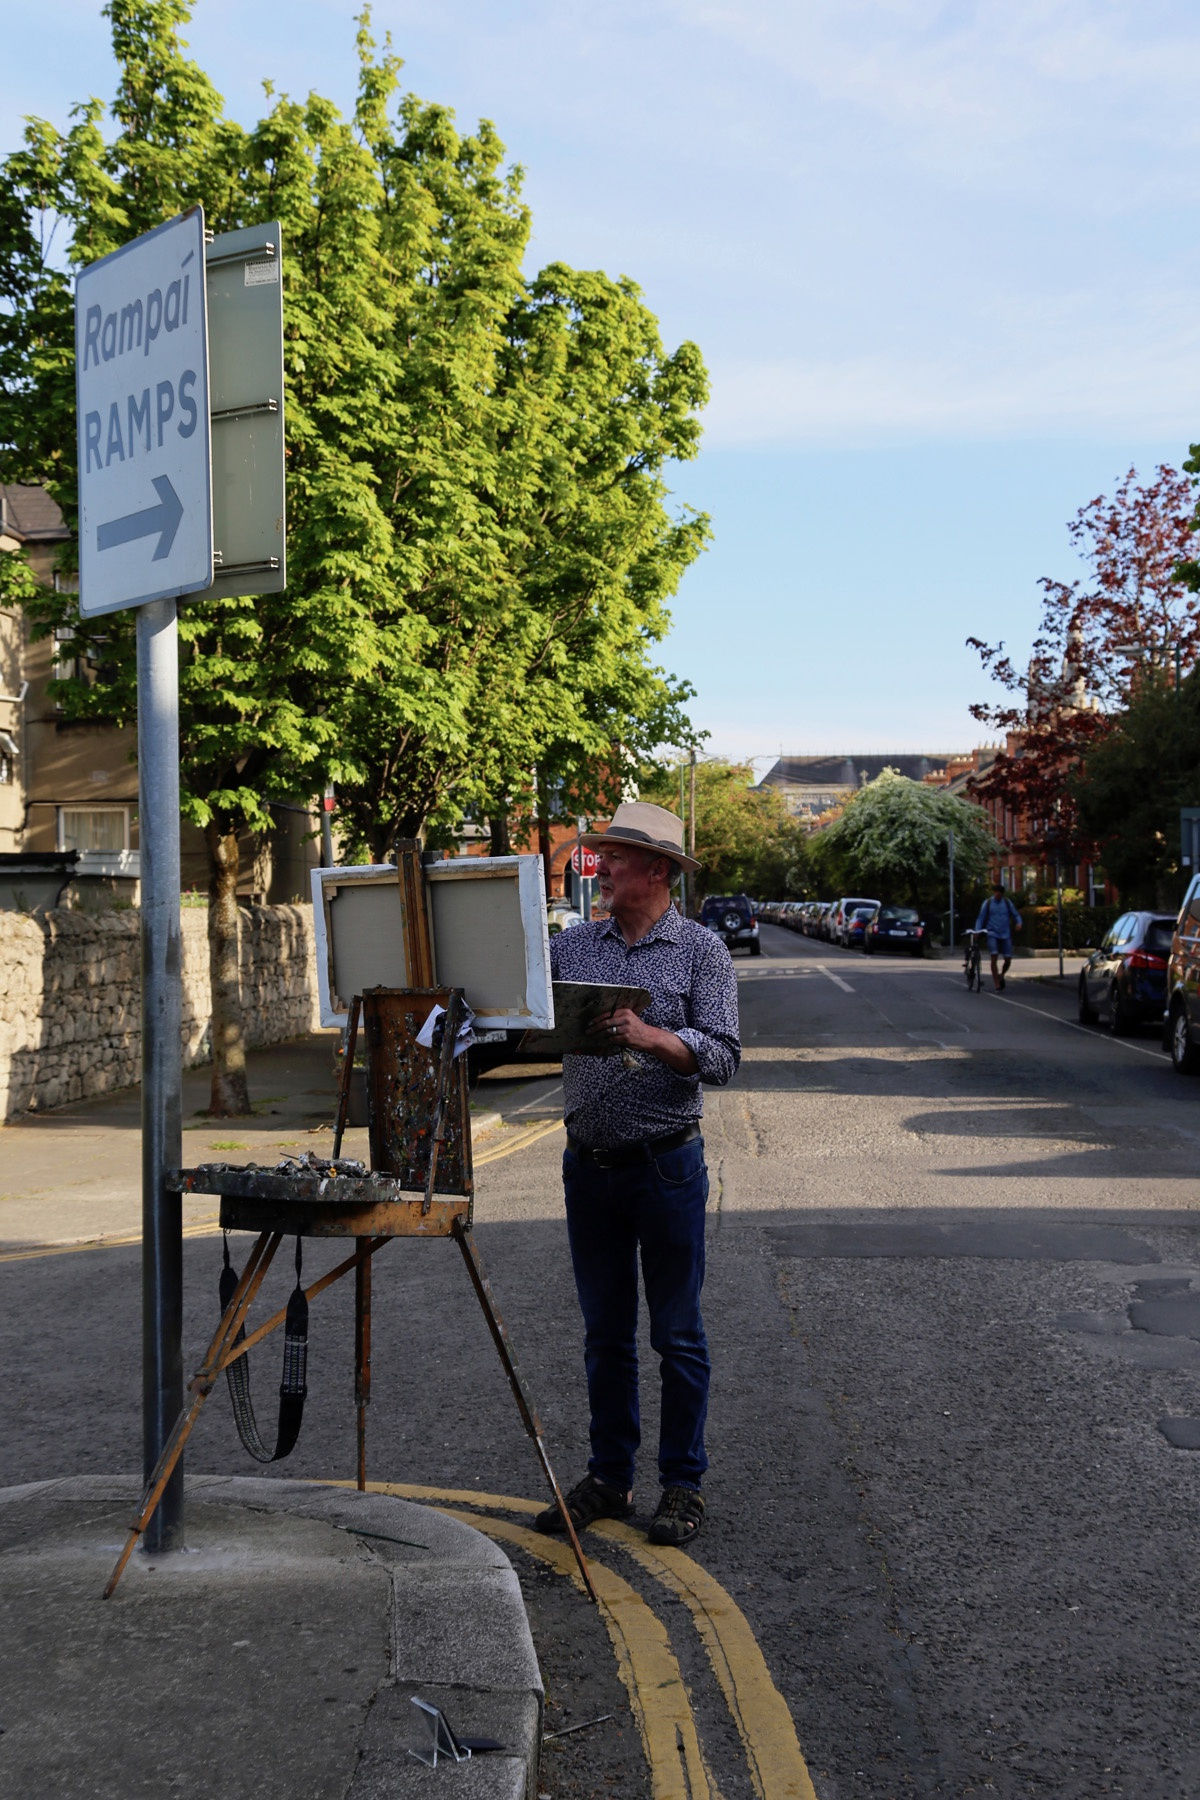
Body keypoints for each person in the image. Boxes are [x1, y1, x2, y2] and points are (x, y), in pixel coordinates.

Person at [535, 801, 740, 1549]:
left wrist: (655, 1038)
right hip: (586, 1167)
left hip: (667, 1167)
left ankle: (682, 1485)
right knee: (605, 1337)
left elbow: (721, 1058)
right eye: (603, 854)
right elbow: (519, 1013)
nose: (604, 865)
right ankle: (610, 1477)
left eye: (618, 856)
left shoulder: (702, 952)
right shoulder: (573, 948)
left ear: (657, 870)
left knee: (676, 1335)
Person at [974, 882, 1022, 991]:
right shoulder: (988, 903)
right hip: (992, 933)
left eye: (999, 894)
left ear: (1002, 894)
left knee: (1008, 959)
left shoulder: (1007, 902)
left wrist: (1019, 922)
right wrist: (977, 930)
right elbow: (980, 918)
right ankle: (997, 983)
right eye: (995, 893)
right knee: (994, 956)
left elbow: (1016, 914)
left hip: (1005, 934)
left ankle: (1002, 975)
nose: (997, 895)